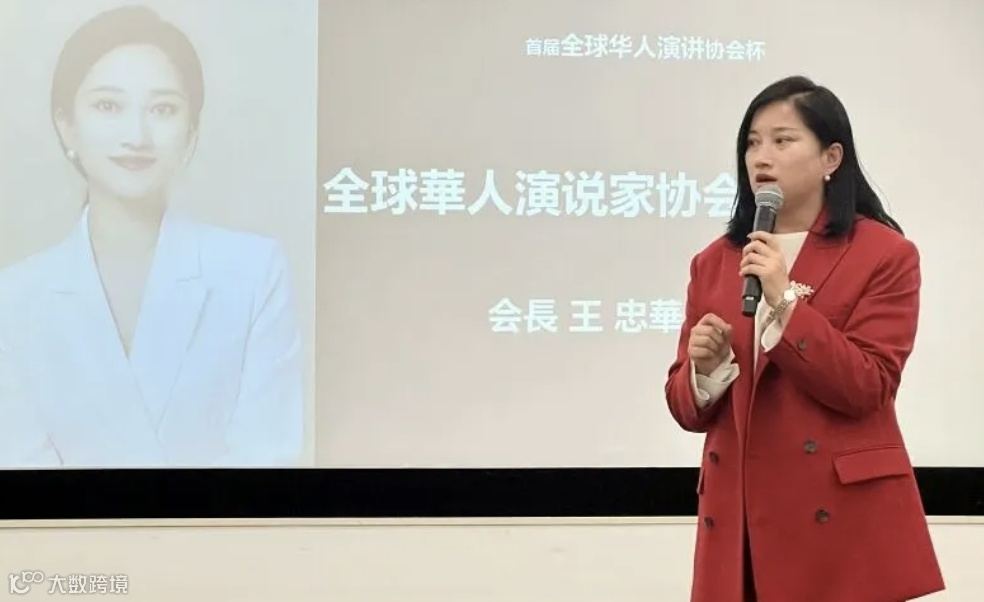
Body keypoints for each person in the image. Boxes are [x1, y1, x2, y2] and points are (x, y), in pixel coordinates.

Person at [663, 75, 945, 602]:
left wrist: (785, 301)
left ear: (830, 158)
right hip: (742, 525)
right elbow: (687, 410)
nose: (761, 157)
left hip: (840, 525)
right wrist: (704, 371)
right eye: (752, 142)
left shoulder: (883, 254)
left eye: (782, 140)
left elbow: (867, 387)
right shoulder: (714, 262)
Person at [0, 5, 304, 468]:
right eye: (108, 106)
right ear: (67, 126)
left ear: (191, 132)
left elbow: (268, 455)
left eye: (163, 109)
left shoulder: (254, 272)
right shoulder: (13, 299)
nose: (136, 135)